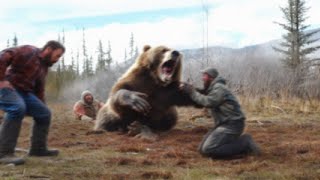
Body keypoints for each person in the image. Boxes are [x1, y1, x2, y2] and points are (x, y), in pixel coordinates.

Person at [0, 40, 65, 165]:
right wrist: (1, 80)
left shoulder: (43, 67)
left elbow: (39, 89)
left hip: (25, 92)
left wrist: (41, 106)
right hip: (8, 88)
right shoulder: (29, 51)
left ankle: (38, 149)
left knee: (44, 113)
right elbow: (4, 55)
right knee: (17, 108)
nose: (57, 59)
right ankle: (3, 153)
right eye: (57, 56)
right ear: (49, 49)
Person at [180, 67, 260, 159]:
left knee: (209, 149)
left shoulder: (219, 88)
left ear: (211, 77)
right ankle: (235, 143)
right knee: (202, 150)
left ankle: (245, 143)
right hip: (223, 124)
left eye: (204, 76)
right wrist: (188, 88)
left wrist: (191, 92)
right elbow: (202, 95)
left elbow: (208, 102)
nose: (202, 78)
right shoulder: (214, 88)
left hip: (232, 124)